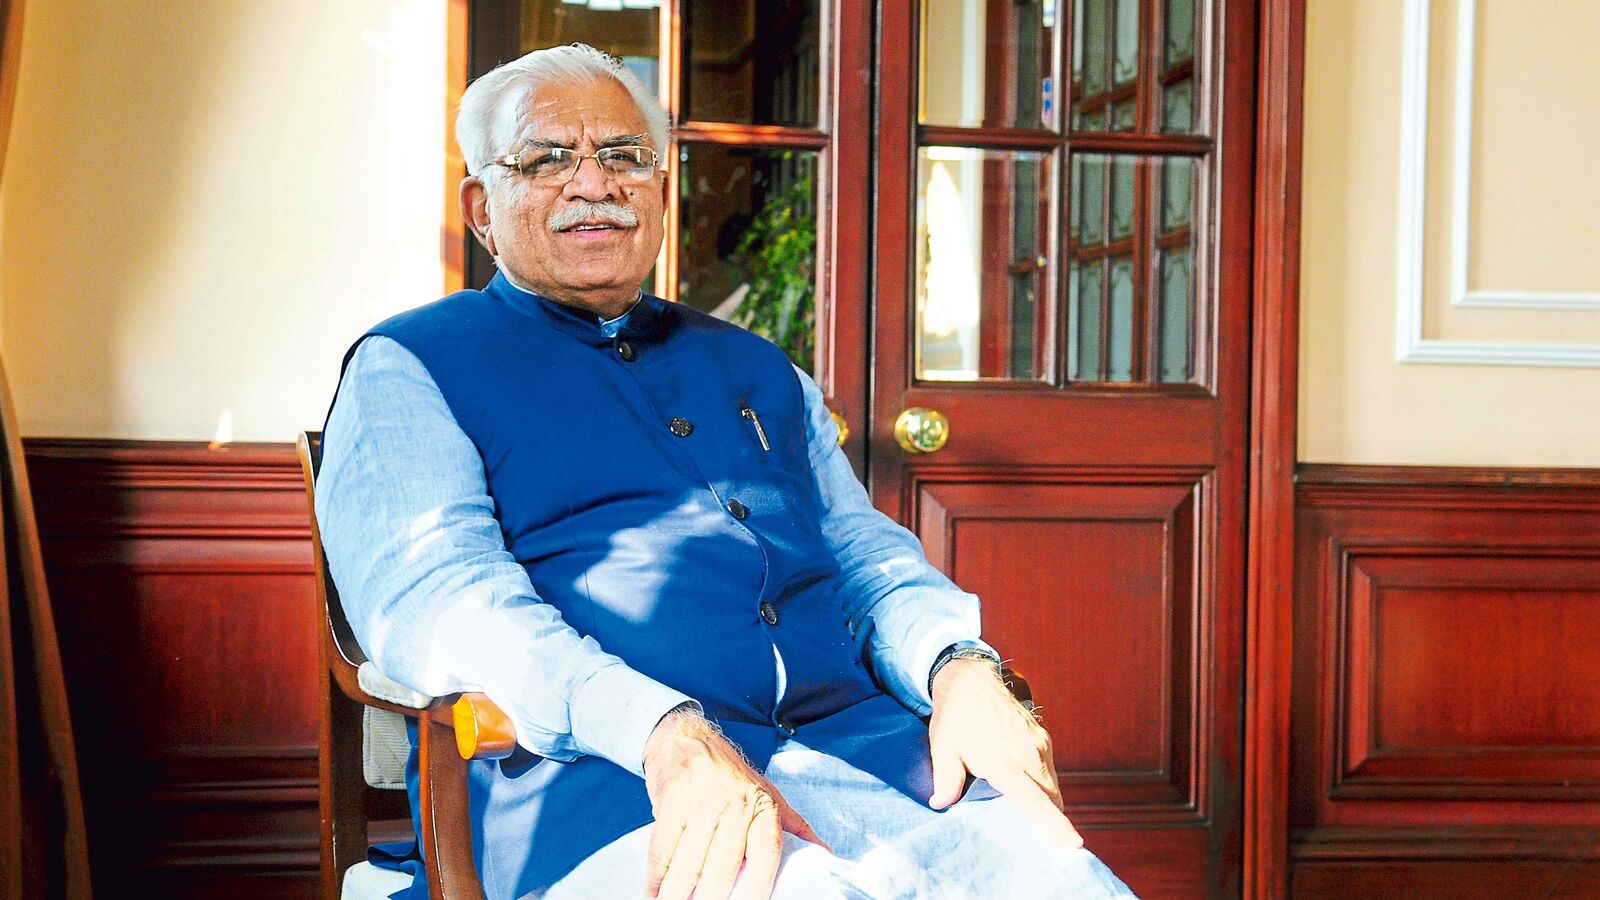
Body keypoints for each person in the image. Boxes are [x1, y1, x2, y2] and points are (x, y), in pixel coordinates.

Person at [317, 43, 1135, 900]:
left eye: (624, 156)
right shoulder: (411, 365)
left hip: (872, 758)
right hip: (614, 789)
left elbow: (864, 558)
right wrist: (662, 729)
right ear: (483, 209)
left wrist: (958, 665)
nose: (594, 183)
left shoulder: (759, 366)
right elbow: (442, 605)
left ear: (659, 191)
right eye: (547, 159)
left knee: (1072, 884)